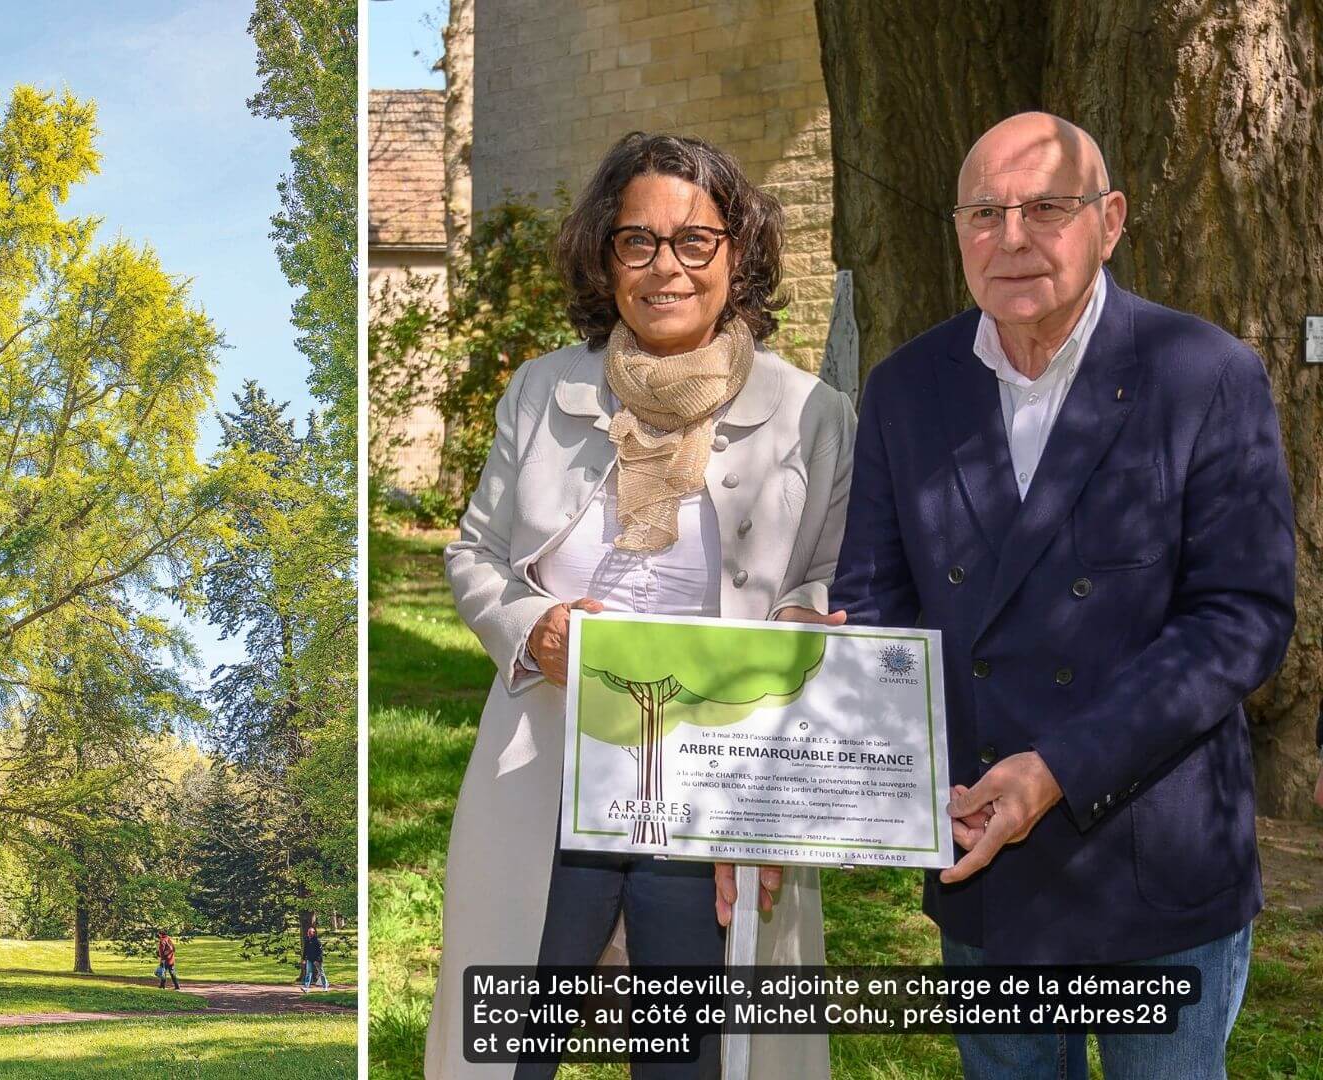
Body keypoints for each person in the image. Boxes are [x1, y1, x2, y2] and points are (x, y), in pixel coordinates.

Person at [830, 112, 1296, 1079]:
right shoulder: (907, 389)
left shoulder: (1204, 376)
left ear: (1111, 218)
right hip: (982, 858)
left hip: (1156, 862)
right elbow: (874, 601)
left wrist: (1060, 767)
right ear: (954, 231)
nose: (1012, 239)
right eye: (983, 214)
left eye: (1046, 207)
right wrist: (836, 692)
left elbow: (1240, 619)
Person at [427, 131, 854, 1080]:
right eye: (638, 241)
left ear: (737, 253)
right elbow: (475, 552)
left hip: (713, 789)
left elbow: (821, 584)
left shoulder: (810, 414)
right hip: (546, 768)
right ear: (605, 257)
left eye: (695, 240)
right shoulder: (543, 392)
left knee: (697, 1061)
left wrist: (798, 657)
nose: (667, 266)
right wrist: (529, 628)